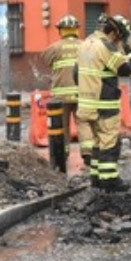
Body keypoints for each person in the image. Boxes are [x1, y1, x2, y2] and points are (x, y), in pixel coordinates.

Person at [76, 15, 131, 192]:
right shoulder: (106, 46)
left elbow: (76, 73)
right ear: (114, 32)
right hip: (105, 103)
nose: (119, 41)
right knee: (110, 142)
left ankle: (96, 178)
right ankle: (109, 180)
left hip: (87, 104)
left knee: (97, 142)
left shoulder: (86, 43)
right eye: (120, 37)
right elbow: (126, 69)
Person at [41, 15, 82, 159]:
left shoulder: (53, 48)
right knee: (84, 126)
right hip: (82, 95)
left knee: (62, 128)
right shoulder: (85, 46)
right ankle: (87, 154)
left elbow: (46, 61)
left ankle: (63, 155)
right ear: (76, 29)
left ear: (61, 31)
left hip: (61, 97)